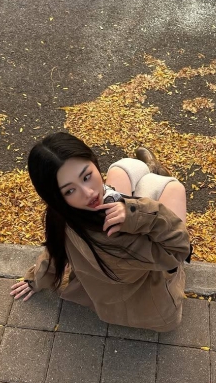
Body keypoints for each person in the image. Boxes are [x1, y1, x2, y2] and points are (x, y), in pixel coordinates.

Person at [10, 132, 192, 332]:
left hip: (108, 300)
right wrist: (137, 214)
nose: (89, 193)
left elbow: (54, 253)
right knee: (173, 188)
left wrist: (35, 280)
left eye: (86, 176)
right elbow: (179, 250)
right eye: (70, 190)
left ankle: (149, 172)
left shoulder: (61, 217)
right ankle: (157, 176)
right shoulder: (118, 240)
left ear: (94, 162)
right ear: (57, 197)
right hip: (154, 311)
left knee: (122, 168)